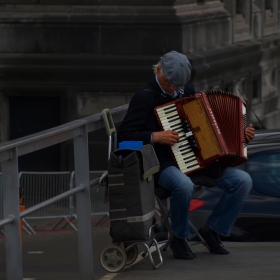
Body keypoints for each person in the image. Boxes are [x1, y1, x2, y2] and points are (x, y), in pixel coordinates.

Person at [117, 50, 255, 260]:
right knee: (183, 185)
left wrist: (240, 135)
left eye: (177, 85)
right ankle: (179, 238)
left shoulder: (187, 90)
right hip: (163, 162)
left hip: (197, 159)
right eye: (169, 83)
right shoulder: (144, 97)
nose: (173, 89)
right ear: (159, 70)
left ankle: (213, 231)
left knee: (243, 180)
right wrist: (155, 136)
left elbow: (208, 128)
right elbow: (124, 139)